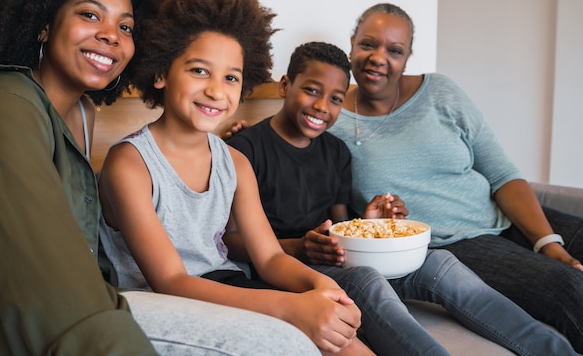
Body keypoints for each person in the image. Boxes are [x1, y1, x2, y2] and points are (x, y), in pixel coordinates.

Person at [0, 0, 320, 355]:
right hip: (42, 320)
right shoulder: (5, 108)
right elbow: (39, 278)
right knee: (282, 343)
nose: (110, 36)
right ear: (43, 22)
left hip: (93, 296)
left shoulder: (81, 114)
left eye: (126, 27)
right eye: (90, 14)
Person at [224, 41, 579, 356]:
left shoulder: (336, 151)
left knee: (440, 264)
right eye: (311, 91)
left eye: (335, 98)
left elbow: (339, 222)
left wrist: (370, 222)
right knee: (366, 281)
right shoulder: (247, 149)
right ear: (286, 85)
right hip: (288, 267)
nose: (322, 107)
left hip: (334, 258)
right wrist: (300, 246)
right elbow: (232, 242)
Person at [97, 0, 370, 356]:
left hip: (224, 283)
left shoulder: (235, 163)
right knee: (296, 342)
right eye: (198, 71)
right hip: (160, 302)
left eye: (231, 78)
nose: (215, 90)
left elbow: (271, 257)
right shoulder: (129, 163)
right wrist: (292, 309)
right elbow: (171, 280)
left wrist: (319, 287)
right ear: (160, 72)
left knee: (344, 343)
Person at [326, 2, 583, 352]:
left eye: (395, 50)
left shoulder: (441, 92)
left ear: (408, 56)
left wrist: (547, 243)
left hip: (503, 219)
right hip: (452, 245)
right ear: (352, 43)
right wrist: (243, 134)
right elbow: (286, 140)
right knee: (568, 287)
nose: (379, 57)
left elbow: (503, 174)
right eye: (368, 44)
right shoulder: (329, 117)